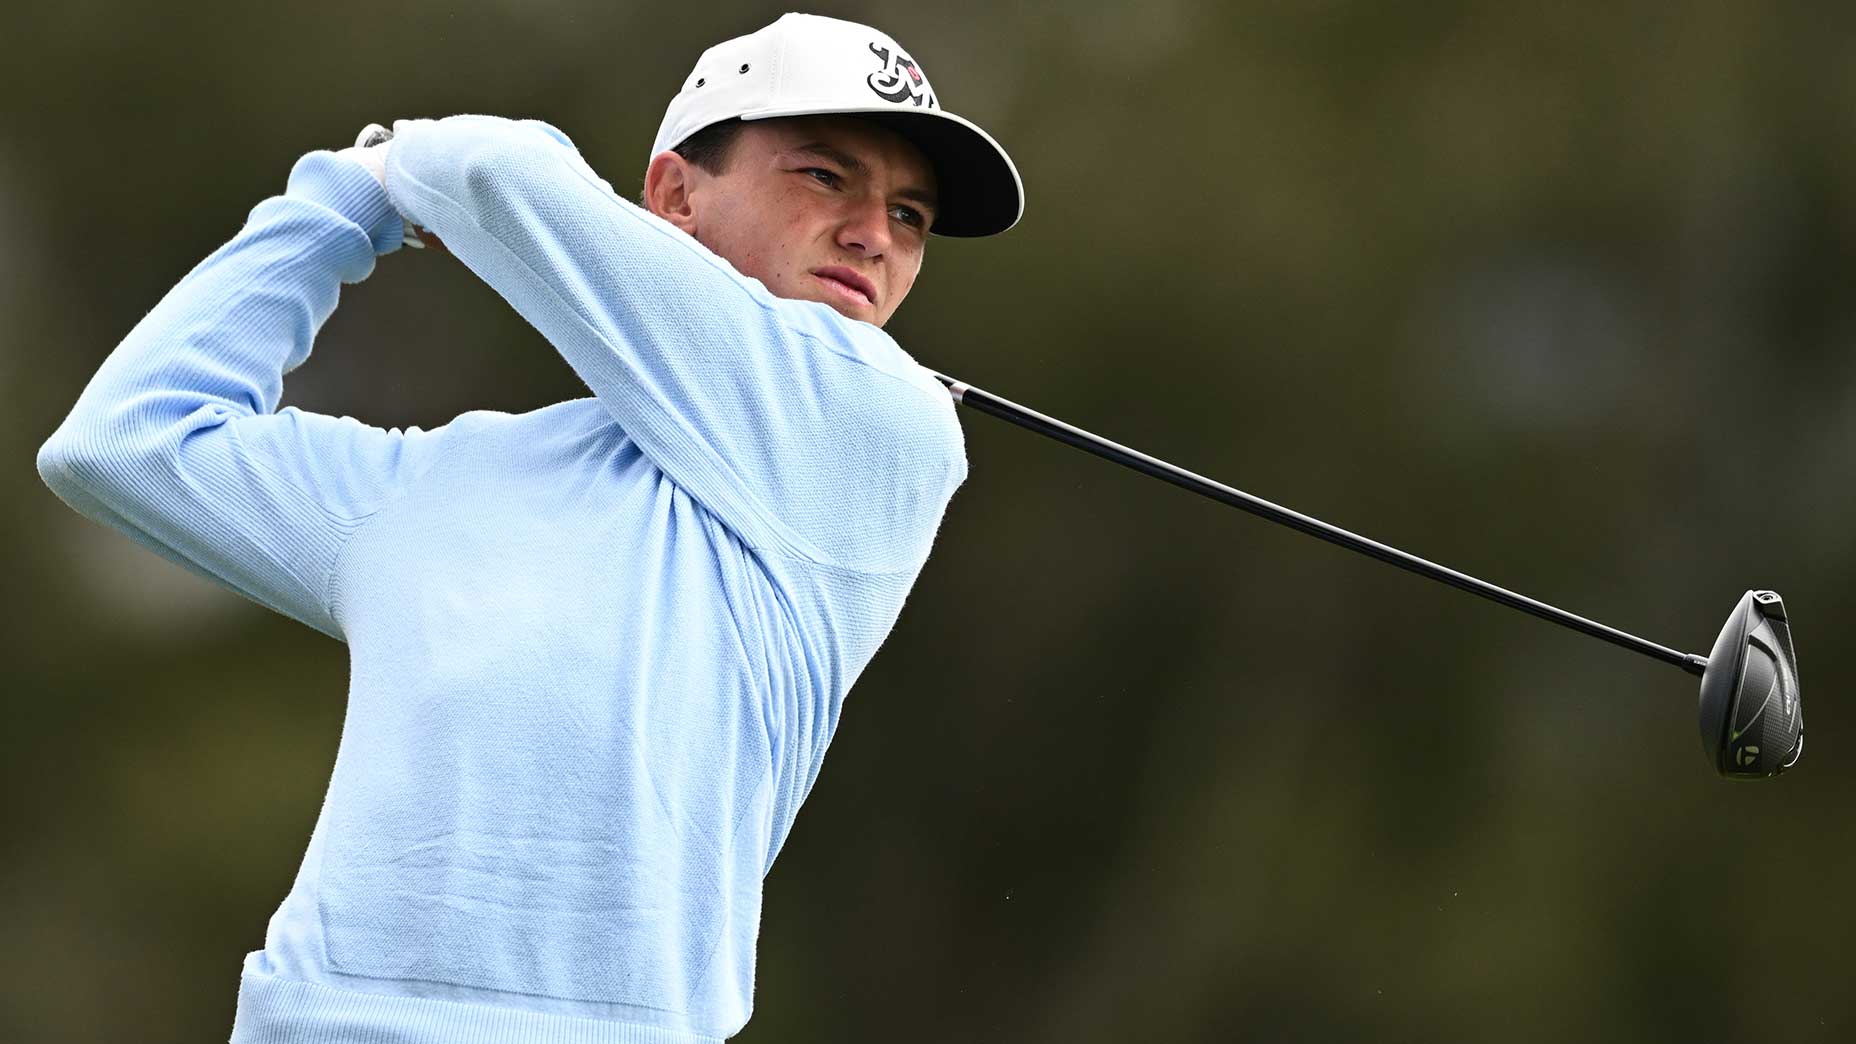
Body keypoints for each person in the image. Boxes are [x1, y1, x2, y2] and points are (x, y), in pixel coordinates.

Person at [35, 12, 1022, 1043]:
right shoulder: (440, 479)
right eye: (825, 176)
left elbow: (492, 171)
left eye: (910, 215)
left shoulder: (888, 429)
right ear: (674, 196)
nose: (874, 235)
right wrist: (335, 209)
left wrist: (383, 168)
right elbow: (127, 441)